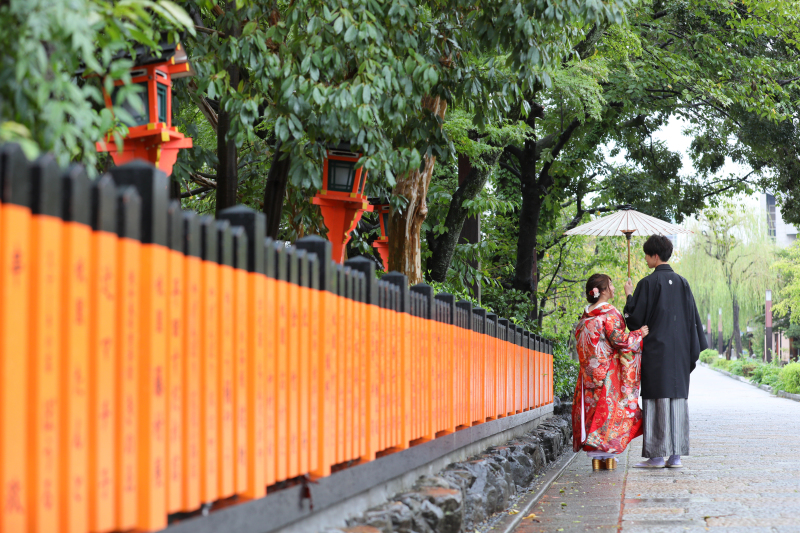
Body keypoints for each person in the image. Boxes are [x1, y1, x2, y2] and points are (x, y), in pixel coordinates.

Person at [623, 235, 708, 469]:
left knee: (657, 399)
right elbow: (692, 319)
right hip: (680, 351)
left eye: (647, 255)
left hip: (656, 351)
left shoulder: (647, 284)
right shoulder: (683, 282)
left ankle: (657, 456)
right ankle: (676, 456)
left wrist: (629, 295)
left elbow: (635, 321)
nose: (646, 259)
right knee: (677, 399)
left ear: (655, 255)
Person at [573, 273, 649, 471]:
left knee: (592, 413)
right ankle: (607, 457)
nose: (614, 288)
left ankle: (596, 460)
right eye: (612, 284)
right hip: (607, 373)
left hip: (589, 375)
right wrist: (639, 333)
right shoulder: (609, 312)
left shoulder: (586, 314)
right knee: (608, 413)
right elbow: (620, 341)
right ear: (604, 290)